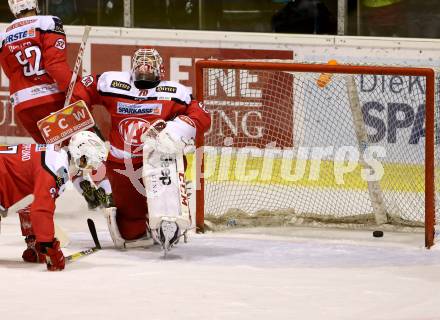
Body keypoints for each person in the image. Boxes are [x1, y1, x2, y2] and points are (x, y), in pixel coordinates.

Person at [73, 48, 211, 247]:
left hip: (158, 159)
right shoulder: (112, 82)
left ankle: (171, 215)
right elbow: (82, 91)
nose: (144, 69)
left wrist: (178, 128)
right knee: (131, 233)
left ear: (160, 70)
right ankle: (141, 223)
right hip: (121, 165)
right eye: (140, 65)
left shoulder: (174, 92)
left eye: (150, 65)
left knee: (168, 163)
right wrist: (81, 128)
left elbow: (202, 116)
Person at [0, 131, 110, 271]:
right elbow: (41, 210)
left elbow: (32, 205)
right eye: (88, 162)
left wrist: (37, 243)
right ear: (79, 156)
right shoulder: (55, 169)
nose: (89, 169)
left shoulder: (56, 154)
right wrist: (49, 247)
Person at [0, 0, 72, 143]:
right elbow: (55, 65)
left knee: (51, 154)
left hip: (23, 105)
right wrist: (76, 91)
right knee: (80, 148)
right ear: (35, 3)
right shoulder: (48, 23)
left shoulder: (3, 36)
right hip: (51, 100)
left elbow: (10, 73)